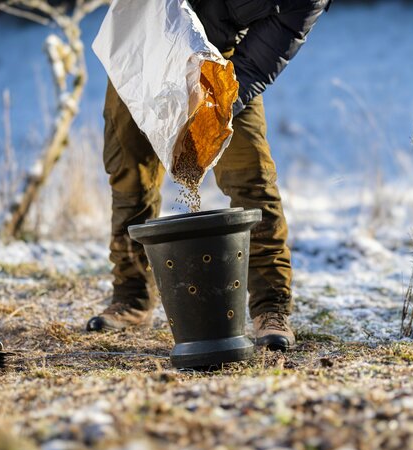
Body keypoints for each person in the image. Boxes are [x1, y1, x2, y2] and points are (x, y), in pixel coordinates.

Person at [86, 0, 332, 351]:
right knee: (129, 172)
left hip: (218, 60)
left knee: (252, 177)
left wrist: (216, 110)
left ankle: (271, 308)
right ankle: (131, 296)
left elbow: (258, 61)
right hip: (145, 45)